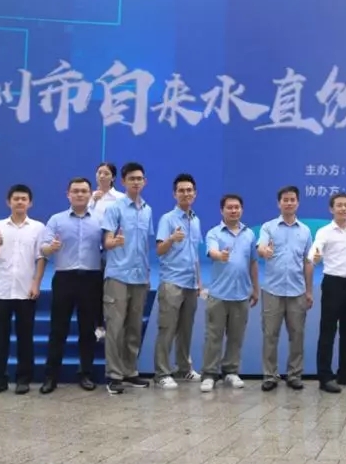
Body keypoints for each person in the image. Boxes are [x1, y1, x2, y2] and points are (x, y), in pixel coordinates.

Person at [39, 177, 101, 394]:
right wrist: (51, 247)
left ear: (90, 194)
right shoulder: (56, 220)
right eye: (75, 191)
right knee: (58, 329)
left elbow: (108, 245)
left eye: (84, 191)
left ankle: (85, 374)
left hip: (91, 279)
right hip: (64, 278)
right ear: (68, 194)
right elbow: (43, 248)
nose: (80, 194)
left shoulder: (100, 220)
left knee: (87, 330)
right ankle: (51, 376)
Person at [0, 184, 45, 396]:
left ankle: (23, 379)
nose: (20, 202)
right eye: (16, 199)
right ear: (8, 202)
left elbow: (41, 257)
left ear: (30, 203)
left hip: (26, 291)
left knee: (25, 338)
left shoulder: (37, 228)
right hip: (1, 291)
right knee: (0, 338)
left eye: (23, 199)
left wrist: (36, 283)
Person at [100, 162, 153, 395]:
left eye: (139, 178)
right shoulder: (115, 208)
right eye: (131, 178)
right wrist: (114, 242)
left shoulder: (147, 210)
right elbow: (106, 241)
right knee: (115, 327)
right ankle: (114, 375)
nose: (136, 182)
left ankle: (130, 371)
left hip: (139, 276)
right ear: (123, 182)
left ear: (145, 181)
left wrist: (147, 273)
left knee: (134, 327)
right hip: (118, 276)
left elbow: (145, 246)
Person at [257, 185, 314, 392]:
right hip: (272, 290)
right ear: (278, 203)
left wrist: (309, 291)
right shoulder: (268, 227)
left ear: (297, 203)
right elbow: (261, 247)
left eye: (292, 200)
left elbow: (308, 262)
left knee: (297, 335)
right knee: (270, 335)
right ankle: (270, 375)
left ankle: (294, 374)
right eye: (285, 200)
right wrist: (265, 251)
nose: (289, 203)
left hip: (297, 291)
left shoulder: (305, 231)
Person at [200, 194, 259, 392]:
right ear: (222, 210)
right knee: (213, 337)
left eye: (237, 207)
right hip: (218, 295)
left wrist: (255, 289)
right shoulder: (214, 233)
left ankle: (231, 372)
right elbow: (212, 252)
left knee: (236, 337)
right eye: (229, 207)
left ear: (241, 210)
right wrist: (221, 255)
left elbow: (253, 262)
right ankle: (209, 374)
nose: (233, 211)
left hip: (241, 295)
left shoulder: (249, 234)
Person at [153, 174, 202, 389]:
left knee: (186, 329)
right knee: (167, 329)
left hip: (191, 283)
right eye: (181, 190)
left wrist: (199, 282)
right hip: (172, 281)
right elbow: (159, 250)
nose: (186, 194)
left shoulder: (195, 220)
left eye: (189, 190)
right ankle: (162, 373)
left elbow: (195, 254)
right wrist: (172, 239)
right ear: (175, 194)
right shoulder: (168, 219)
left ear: (195, 194)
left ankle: (184, 368)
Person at [311, 192, 346, 393]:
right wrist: (314, 257)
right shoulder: (324, 232)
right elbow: (315, 251)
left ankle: (344, 373)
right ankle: (325, 377)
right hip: (332, 284)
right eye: (339, 205)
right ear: (331, 209)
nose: (343, 208)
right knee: (328, 331)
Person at [90, 162, 122, 342]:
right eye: (99, 172)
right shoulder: (88, 197)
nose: (102, 176)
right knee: (94, 288)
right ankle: (98, 325)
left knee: (111, 287)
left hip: (112, 248)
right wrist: (92, 201)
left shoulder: (120, 198)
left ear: (113, 177)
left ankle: (112, 325)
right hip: (91, 248)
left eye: (106, 173)